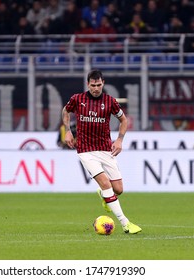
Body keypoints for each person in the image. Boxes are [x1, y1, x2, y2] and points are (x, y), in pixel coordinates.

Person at [61, 69, 142, 234]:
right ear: (88, 84)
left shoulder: (110, 101)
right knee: (106, 183)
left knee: (118, 189)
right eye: (93, 85)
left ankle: (104, 195)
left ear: (103, 83)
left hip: (106, 149)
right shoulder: (77, 99)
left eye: (98, 85)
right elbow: (65, 111)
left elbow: (123, 120)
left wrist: (119, 140)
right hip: (86, 150)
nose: (96, 88)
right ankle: (126, 224)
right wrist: (68, 130)